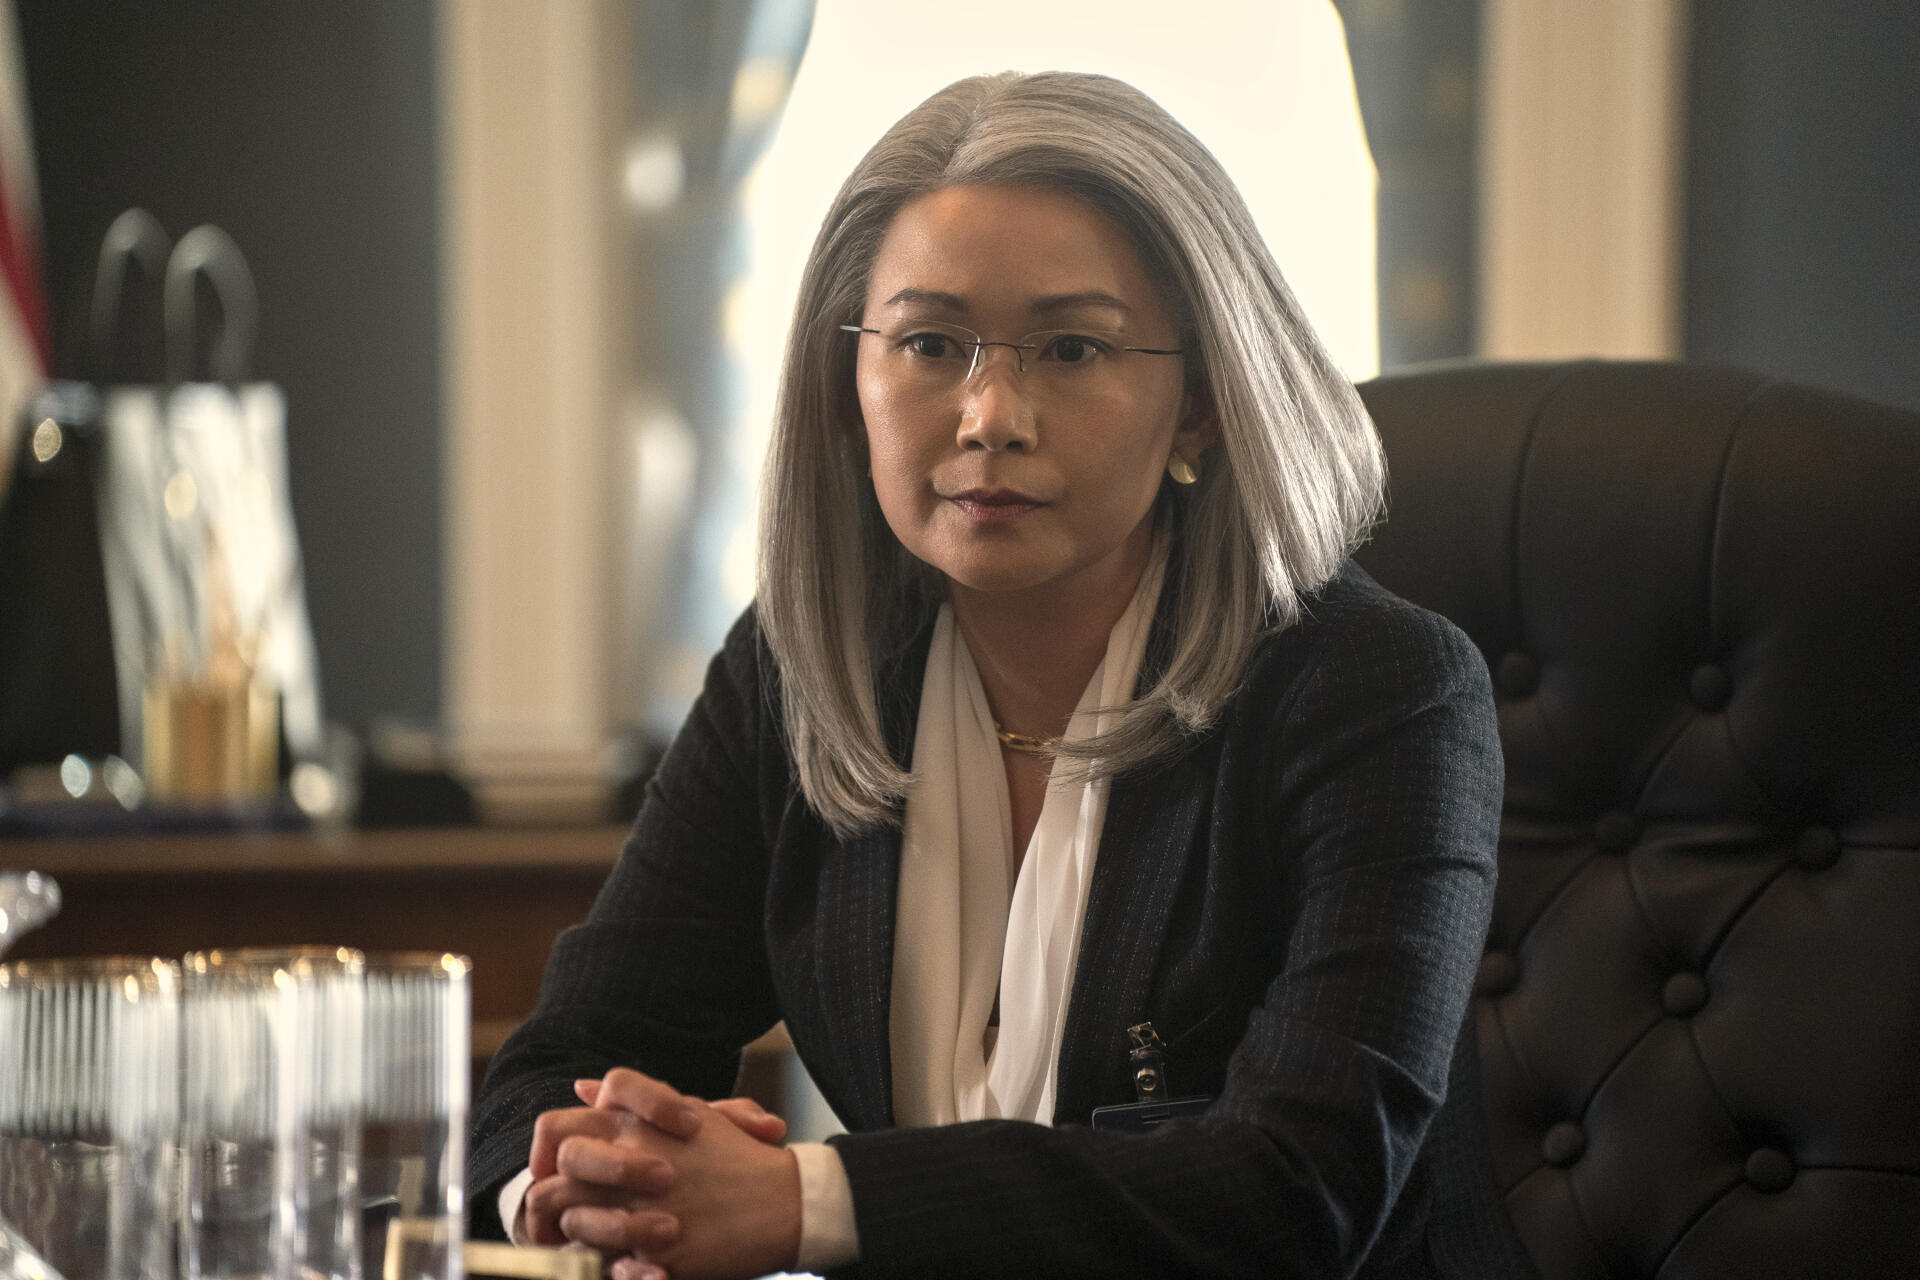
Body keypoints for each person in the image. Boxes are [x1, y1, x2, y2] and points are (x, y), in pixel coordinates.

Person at [469, 71, 1516, 1279]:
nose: (990, 414)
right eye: (929, 342)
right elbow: (563, 1064)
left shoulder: (1383, 695)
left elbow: (1295, 1189)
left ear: (1202, 408)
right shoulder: (803, 669)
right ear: (845, 382)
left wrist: (801, 1198)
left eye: (1071, 347)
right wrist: (588, 1186)